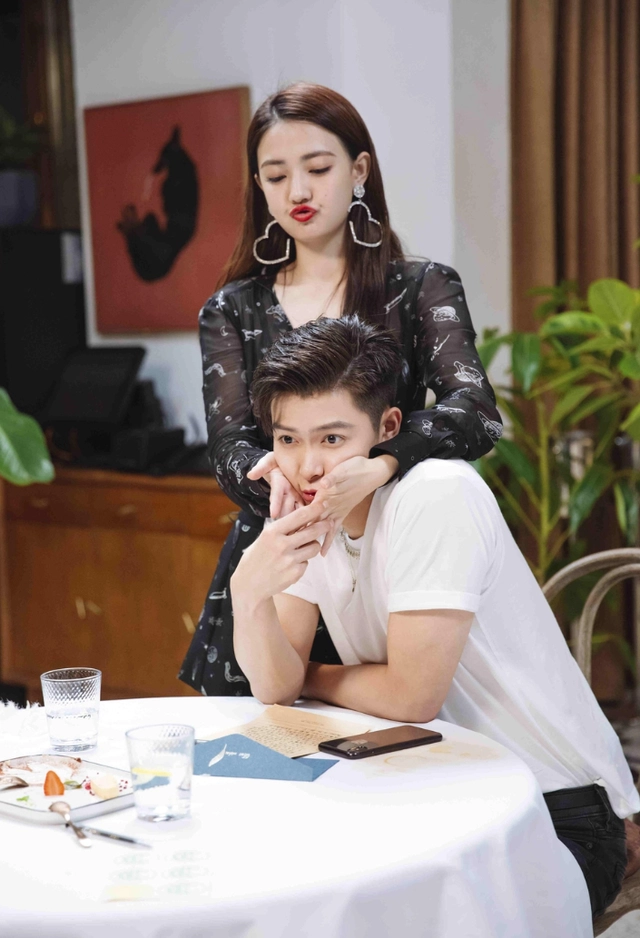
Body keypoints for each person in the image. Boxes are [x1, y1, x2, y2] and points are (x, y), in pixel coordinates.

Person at [230, 314, 639, 923]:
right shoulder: (307, 512)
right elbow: (274, 687)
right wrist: (248, 594)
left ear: (388, 428)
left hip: (555, 806)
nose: (308, 466)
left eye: (332, 439)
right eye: (288, 440)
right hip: (431, 784)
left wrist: (309, 676)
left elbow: (410, 695)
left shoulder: (435, 493)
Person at [178, 82, 502, 696]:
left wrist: (380, 464)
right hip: (286, 552)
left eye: (318, 168)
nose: (297, 192)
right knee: (267, 735)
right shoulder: (232, 307)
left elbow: (475, 410)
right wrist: (277, 481)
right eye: (276, 176)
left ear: (358, 171)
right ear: (259, 186)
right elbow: (228, 444)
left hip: (386, 554)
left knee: (398, 727)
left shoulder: (420, 287)